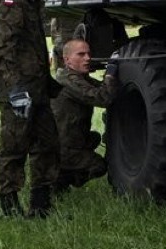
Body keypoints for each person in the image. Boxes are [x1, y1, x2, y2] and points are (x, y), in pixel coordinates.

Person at [0, 0, 62, 219]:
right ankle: (9, 205)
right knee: (14, 146)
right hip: (17, 90)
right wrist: (15, 89)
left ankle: (41, 205)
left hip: (37, 88)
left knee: (48, 143)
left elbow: (32, 46)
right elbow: (2, 49)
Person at [51, 38, 119, 192]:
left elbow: (100, 89)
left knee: (94, 137)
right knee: (99, 166)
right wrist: (110, 75)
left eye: (88, 54)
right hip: (62, 148)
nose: (87, 58)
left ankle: (61, 174)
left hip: (68, 141)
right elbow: (103, 98)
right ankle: (61, 180)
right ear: (67, 60)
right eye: (81, 54)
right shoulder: (69, 81)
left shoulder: (75, 77)